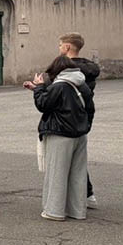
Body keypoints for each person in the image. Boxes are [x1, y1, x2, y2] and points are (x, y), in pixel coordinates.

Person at [30, 55, 94, 221]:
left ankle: (54, 211)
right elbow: (90, 109)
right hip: (80, 134)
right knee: (78, 174)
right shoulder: (82, 83)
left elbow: (43, 104)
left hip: (60, 134)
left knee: (57, 172)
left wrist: (39, 87)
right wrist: (85, 127)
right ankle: (77, 211)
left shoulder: (60, 85)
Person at [54, 33, 100, 209]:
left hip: (65, 118)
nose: (59, 48)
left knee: (63, 159)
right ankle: (87, 195)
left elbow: (54, 95)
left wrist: (39, 89)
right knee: (78, 157)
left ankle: (65, 200)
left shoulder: (64, 70)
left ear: (66, 47)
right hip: (84, 115)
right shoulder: (88, 70)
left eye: (60, 45)